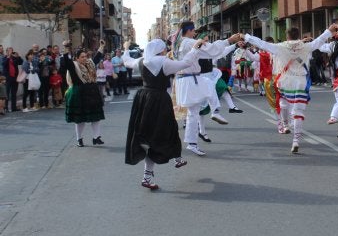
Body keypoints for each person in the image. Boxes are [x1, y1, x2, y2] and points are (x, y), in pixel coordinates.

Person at [242, 24, 338, 153]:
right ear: (298, 35)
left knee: (283, 103)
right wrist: (329, 31)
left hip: (285, 80)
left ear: (287, 36)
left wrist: (245, 36)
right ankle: (296, 141)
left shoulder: (280, 47)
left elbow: (261, 44)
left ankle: (285, 124)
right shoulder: (305, 46)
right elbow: (319, 40)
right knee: (298, 112)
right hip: (300, 81)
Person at [122, 39, 203, 190]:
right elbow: (185, 63)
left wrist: (126, 48)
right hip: (159, 99)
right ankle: (176, 158)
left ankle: (153, 173)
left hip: (143, 98)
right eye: (164, 49)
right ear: (161, 50)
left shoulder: (142, 61)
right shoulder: (164, 62)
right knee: (168, 129)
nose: (166, 51)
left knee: (148, 136)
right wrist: (194, 49)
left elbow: (127, 61)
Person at [173, 21, 242, 156]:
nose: (195, 33)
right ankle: (215, 112)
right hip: (190, 79)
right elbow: (211, 50)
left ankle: (192, 143)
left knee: (193, 112)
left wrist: (229, 44)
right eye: (194, 31)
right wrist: (229, 40)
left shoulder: (180, 43)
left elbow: (210, 53)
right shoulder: (189, 42)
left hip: (186, 79)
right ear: (189, 31)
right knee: (209, 88)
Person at [61, 40, 105, 147]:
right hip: (79, 94)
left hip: (92, 93)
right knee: (79, 119)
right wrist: (66, 47)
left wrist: (101, 47)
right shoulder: (73, 67)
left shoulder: (89, 64)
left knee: (95, 117)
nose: (85, 58)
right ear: (76, 58)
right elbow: (66, 61)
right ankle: (79, 139)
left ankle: (96, 137)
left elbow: (96, 58)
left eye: (85, 56)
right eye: (82, 57)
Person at [2, 47, 22, 112]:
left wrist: (18, 56)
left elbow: (21, 62)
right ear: (7, 51)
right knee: (6, 93)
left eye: (11, 50)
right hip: (7, 78)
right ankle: (6, 108)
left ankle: (14, 108)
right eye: (9, 51)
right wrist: (8, 57)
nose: (11, 52)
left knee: (14, 93)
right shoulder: (4, 58)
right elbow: (4, 64)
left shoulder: (14, 58)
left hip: (14, 77)